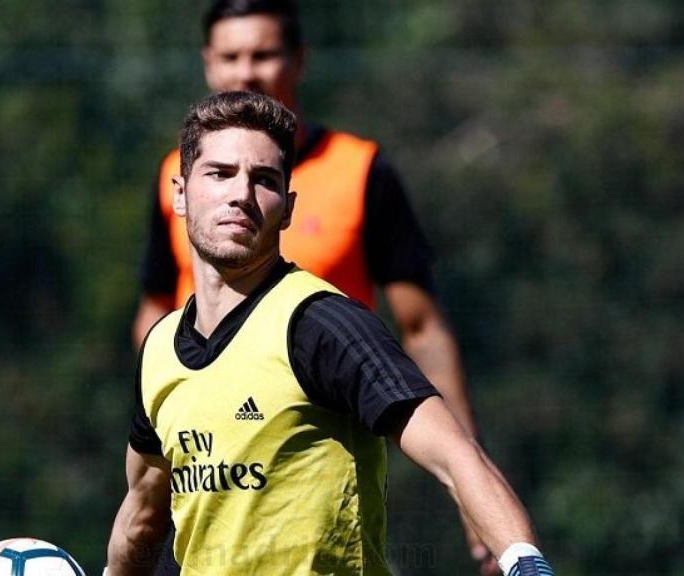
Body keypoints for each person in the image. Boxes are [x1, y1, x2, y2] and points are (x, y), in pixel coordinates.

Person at [107, 91, 554, 576]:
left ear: (289, 206)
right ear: (179, 193)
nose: (241, 194)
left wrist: (524, 562)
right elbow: (142, 514)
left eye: (264, 180)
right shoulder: (159, 349)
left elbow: (455, 454)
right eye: (219, 173)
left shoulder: (322, 324)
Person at [132, 0, 487, 566]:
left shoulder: (360, 170)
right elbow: (153, 311)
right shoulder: (178, 174)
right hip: (208, 473)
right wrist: (169, 419)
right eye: (230, 56)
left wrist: (472, 485)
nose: (246, 72)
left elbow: (422, 330)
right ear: (207, 64)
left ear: (298, 61)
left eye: (264, 54)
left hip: (314, 467)